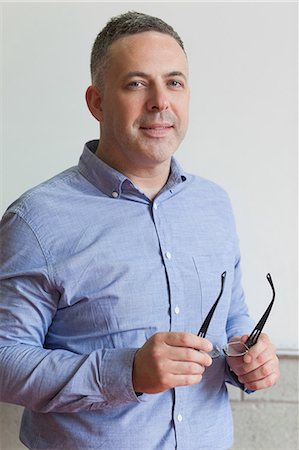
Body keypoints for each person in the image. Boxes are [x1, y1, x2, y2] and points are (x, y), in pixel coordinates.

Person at [0, 11, 279, 450]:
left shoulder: (213, 205)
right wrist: (125, 372)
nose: (160, 102)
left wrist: (246, 356)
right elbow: (4, 360)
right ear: (96, 102)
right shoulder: (35, 220)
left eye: (174, 82)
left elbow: (233, 322)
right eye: (136, 83)